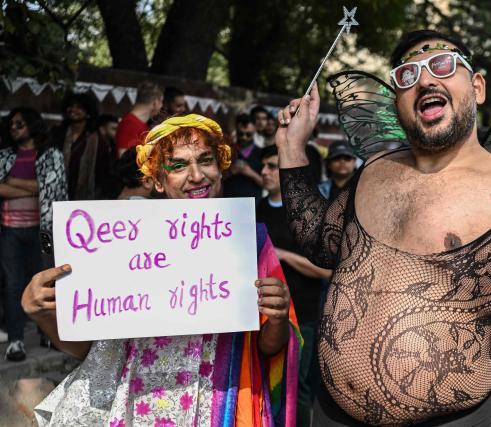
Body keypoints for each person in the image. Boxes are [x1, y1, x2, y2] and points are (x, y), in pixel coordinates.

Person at [275, 29, 491, 426]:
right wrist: (290, 154)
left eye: (441, 65)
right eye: (407, 75)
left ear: (477, 87)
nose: (425, 80)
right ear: (398, 100)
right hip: (330, 414)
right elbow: (322, 245)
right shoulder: (371, 172)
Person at [22, 114, 300, 426]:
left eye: (205, 161)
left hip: (218, 410)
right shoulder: (118, 242)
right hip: (137, 409)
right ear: (157, 180)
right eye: (178, 165)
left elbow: (270, 346)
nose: (196, 175)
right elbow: (89, 349)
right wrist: (43, 314)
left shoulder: (252, 241)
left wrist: (277, 318)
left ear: (220, 169)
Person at [257, 144, 332, 426]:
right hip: (263, 319)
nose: (263, 172)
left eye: (272, 166)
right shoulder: (257, 209)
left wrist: (281, 255)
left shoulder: (307, 215)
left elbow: (326, 270)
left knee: (297, 388)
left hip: (304, 315)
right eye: (263, 166)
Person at [0, 107, 67, 361]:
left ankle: (47, 333)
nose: (14, 128)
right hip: (9, 229)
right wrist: (34, 188)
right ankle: (16, 340)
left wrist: (12, 183)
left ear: (32, 125)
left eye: (20, 124)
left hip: (43, 230)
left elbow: (51, 187)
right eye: (12, 125)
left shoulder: (51, 156)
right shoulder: (5, 156)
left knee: (45, 282)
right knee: (13, 283)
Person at [51, 92, 112, 200]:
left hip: (84, 198)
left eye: (79, 107)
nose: (73, 110)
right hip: (56, 192)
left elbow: (102, 173)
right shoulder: (57, 133)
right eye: (71, 106)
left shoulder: (97, 140)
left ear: (88, 112)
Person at [115, 81, 163, 158]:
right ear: (156, 102)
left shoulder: (136, 123)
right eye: (161, 102)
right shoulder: (130, 124)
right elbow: (123, 158)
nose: (162, 106)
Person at [223, 114, 264, 203]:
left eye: (248, 134)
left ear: (255, 131)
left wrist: (249, 172)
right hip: (228, 204)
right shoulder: (227, 151)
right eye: (240, 134)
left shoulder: (262, 153)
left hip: (253, 206)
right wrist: (230, 172)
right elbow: (217, 180)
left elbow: (267, 184)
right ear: (236, 131)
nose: (244, 137)